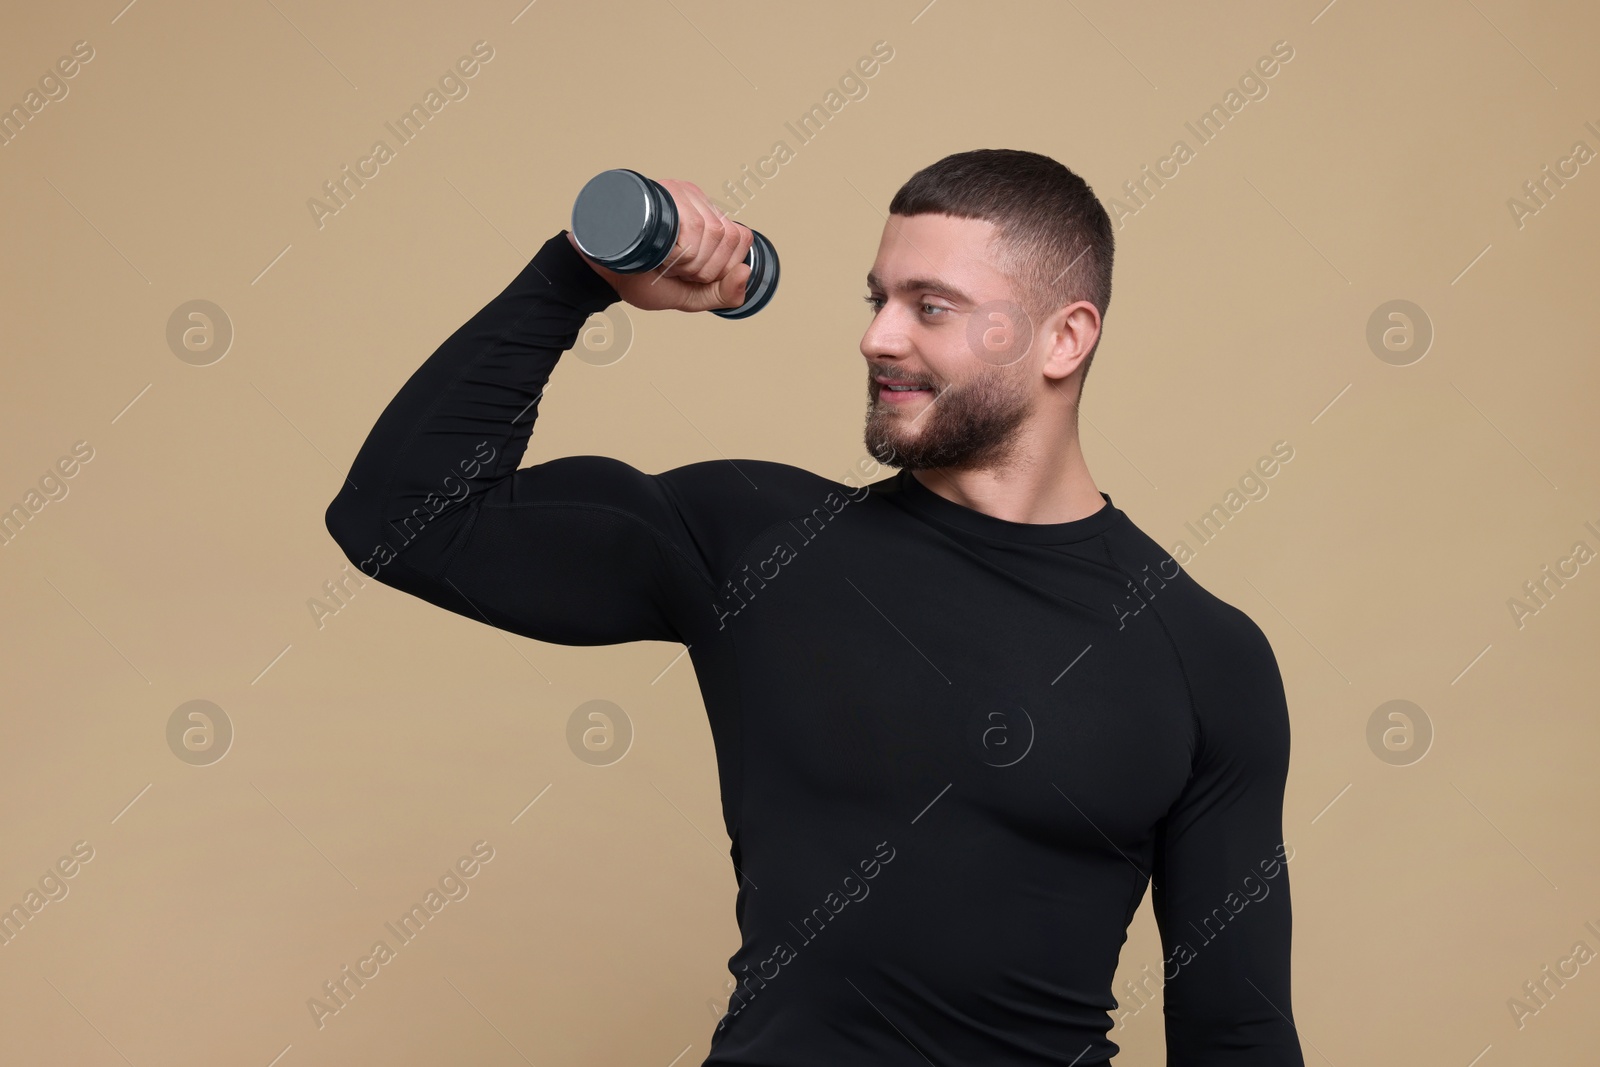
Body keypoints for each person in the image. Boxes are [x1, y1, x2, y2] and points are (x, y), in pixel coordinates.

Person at [324, 148, 1306, 1066]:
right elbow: (399, 519)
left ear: (1064, 336)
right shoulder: (759, 541)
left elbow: (1236, 1025)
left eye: (931, 305)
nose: (877, 335)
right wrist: (574, 275)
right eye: (878, 298)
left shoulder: (1202, 653)